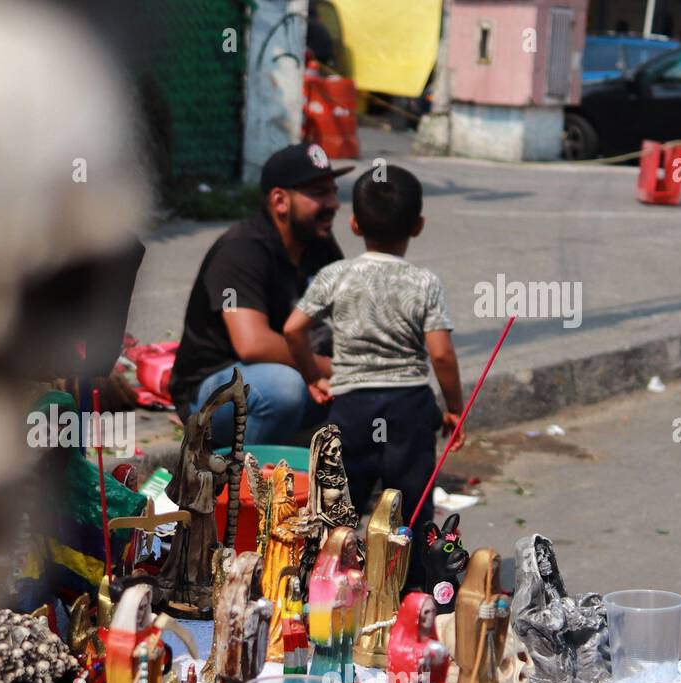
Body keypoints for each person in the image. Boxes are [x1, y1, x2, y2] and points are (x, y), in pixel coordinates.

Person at [282, 164, 463, 587]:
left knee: (341, 508)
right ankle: (412, 588)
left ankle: (327, 585)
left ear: (354, 222)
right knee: (413, 507)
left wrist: (314, 376)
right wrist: (454, 407)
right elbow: (442, 354)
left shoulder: (334, 276)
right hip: (410, 407)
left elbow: (293, 329)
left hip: (352, 407)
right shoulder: (424, 282)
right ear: (417, 226)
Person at [169, 143, 352, 445]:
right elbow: (253, 344)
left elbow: (351, 314)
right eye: (319, 194)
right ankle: (244, 486)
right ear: (280, 200)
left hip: (293, 375)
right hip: (215, 392)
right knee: (283, 390)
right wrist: (327, 369)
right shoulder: (241, 250)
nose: (333, 203)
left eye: (333, 191)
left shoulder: (318, 243)